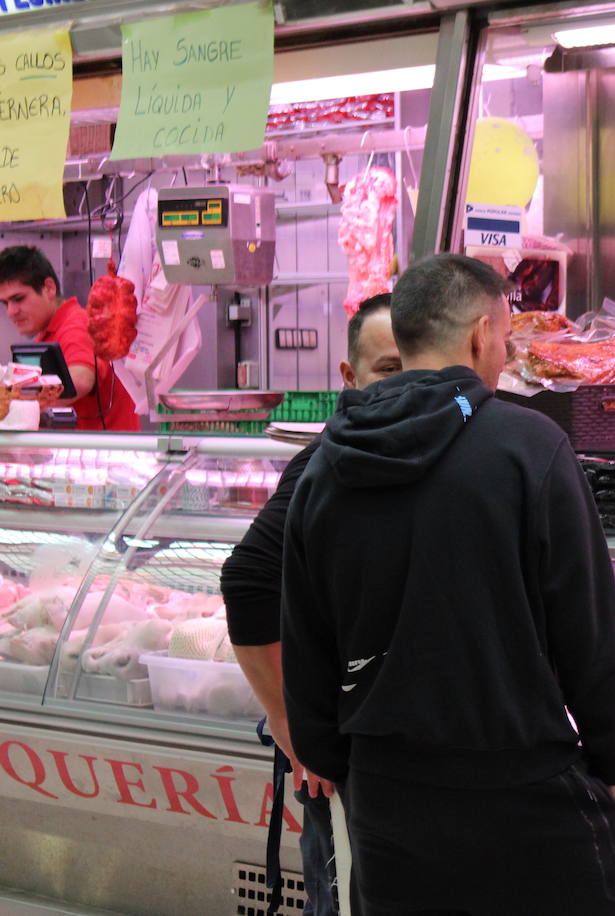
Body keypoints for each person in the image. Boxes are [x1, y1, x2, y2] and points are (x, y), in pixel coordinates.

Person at [281, 254, 615, 914]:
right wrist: (612, 763)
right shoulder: (528, 445)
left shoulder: (325, 465)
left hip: (387, 807)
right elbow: (588, 635)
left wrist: (339, 763)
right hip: (524, 797)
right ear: (482, 334)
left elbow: (305, 645)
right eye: (506, 337)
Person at [221, 293, 401, 915]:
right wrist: (293, 728)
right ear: (350, 379)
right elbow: (246, 581)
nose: (407, 386)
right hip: (344, 754)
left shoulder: (398, 454)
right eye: (388, 369)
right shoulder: (331, 462)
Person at [0, 245, 139, 431]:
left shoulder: (75, 325)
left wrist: (13, 397)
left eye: (19, 299)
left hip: (104, 454)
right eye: (5, 303)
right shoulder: (48, 334)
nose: (11, 312)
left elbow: (80, 381)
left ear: (49, 288)